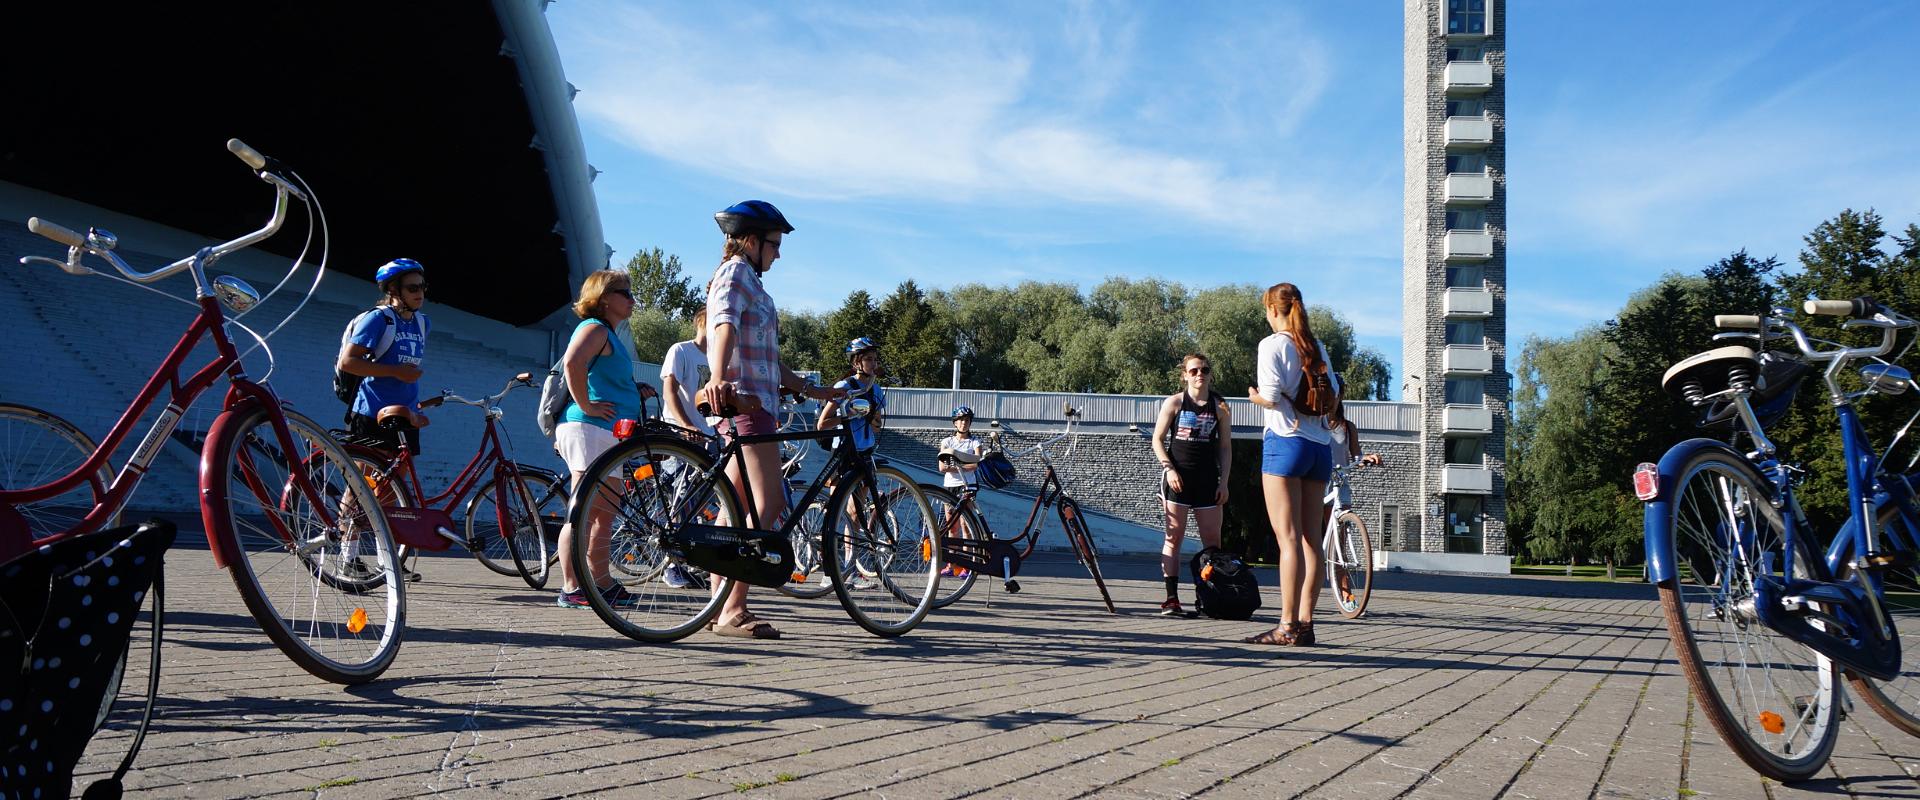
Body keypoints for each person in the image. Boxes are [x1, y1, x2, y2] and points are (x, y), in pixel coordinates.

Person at [701, 200, 843, 639]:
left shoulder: (752, 284)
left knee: (735, 508)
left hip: (756, 405)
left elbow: (769, 359)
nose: (779, 254)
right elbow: (722, 326)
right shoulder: (737, 274)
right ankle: (733, 608)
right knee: (771, 504)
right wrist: (718, 379)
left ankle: (718, 604)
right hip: (747, 409)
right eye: (774, 244)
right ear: (750, 241)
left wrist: (812, 390)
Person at [1244, 282, 1340, 646]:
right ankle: (1306, 623)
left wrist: (1254, 397)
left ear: (1273, 310)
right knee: (1311, 541)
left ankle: (1285, 625)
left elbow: (1270, 397)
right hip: (1319, 449)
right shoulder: (1317, 348)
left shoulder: (1272, 345)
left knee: (1287, 541)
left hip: (1285, 442)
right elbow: (1333, 397)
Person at [553, 269, 645, 609]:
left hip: (606, 434)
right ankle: (572, 586)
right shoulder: (594, 328)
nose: (633, 300)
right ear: (604, 298)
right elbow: (574, 363)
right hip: (590, 429)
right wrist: (585, 403)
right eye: (626, 293)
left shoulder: (609, 334)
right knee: (584, 510)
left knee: (605, 511)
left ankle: (600, 581)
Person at [1150, 353, 1232, 617]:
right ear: (1185, 374)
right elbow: (1157, 440)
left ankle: (1209, 597)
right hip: (1178, 479)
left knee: (1212, 542)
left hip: (1208, 481)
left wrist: (1225, 482)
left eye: (1204, 370)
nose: (1200, 375)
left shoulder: (1220, 406)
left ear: (1210, 374)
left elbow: (1225, 447)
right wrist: (1169, 469)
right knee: (1174, 538)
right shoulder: (1174, 403)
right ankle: (1171, 599)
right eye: (1194, 370)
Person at [336, 258, 430, 454]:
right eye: (413, 288)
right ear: (394, 290)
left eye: (423, 287)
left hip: (406, 414)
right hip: (372, 412)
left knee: (398, 482)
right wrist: (396, 372)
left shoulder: (422, 323)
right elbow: (347, 362)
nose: (420, 293)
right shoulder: (378, 319)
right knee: (364, 481)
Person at [656, 306, 720, 590]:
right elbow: (669, 390)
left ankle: (688, 561)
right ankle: (671, 566)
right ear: (703, 322)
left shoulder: (717, 359)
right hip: (680, 435)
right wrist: (686, 424)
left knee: (700, 501)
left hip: (707, 437)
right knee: (680, 499)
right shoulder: (681, 351)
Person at [935, 406, 986, 579]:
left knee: (966, 526)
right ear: (955, 422)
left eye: (967, 420)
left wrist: (956, 466)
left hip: (968, 486)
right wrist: (964, 465)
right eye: (960, 420)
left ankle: (967, 565)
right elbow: (942, 467)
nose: (964, 423)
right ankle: (952, 565)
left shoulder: (975, 442)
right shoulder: (947, 442)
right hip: (949, 486)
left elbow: (977, 463)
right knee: (952, 527)